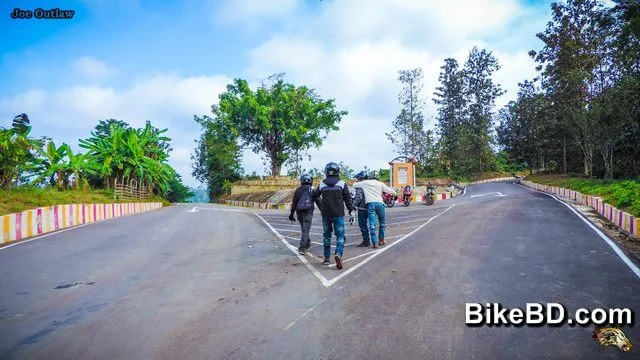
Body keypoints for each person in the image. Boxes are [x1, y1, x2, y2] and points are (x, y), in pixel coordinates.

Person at [312, 162, 355, 269]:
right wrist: (351, 211)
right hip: (338, 214)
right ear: (337, 171)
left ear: (326, 172)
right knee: (340, 236)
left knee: (327, 235)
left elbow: (314, 195)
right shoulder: (342, 183)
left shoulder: (322, 184)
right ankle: (338, 253)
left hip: (326, 213)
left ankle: (326, 258)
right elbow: (348, 199)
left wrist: (321, 204)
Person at [352, 171, 396, 249]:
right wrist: (395, 194)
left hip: (369, 205)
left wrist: (353, 206)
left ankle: (373, 242)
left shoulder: (364, 183)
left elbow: (355, 187)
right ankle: (381, 240)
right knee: (382, 222)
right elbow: (392, 192)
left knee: (371, 224)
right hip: (380, 204)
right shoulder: (380, 183)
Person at [289, 173, 320, 255]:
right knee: (305, 229)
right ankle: (302, 248)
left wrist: (291, 214)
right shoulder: (312, 190)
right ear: (311, 181)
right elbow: (319, 201)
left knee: (304, 229)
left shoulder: (298, 190)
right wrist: (324, 212)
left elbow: (294, 203)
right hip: (308, 212)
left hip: (299, 212)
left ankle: (308, 243)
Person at [353, 170, 371, 247]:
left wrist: (353, 205)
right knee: (372, 224)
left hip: (362, 208)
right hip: (370, 206)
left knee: (363, 225)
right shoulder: (370, 185)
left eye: (358, 179)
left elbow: (359, 197)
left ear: (361, 179)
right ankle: (375, 240)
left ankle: (366, 241)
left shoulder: (360, 186)